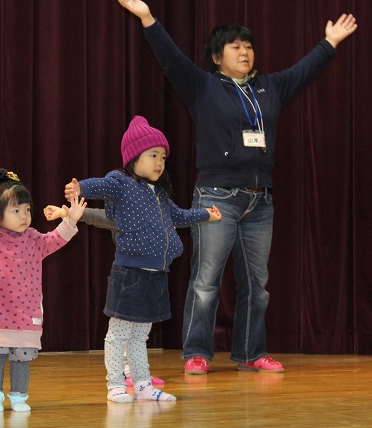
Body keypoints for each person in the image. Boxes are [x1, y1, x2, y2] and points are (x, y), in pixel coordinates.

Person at [117, 0, 357, 375]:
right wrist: (148, 18)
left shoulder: (270, 87)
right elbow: (169, 57)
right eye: (235, 47)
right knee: (206, 280)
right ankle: (197, 352)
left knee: (257, 285)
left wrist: (329, 43)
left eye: (248, 46)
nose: (244, 52)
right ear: (217, 57)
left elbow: (303, 71)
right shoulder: (202, 86)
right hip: (217, 198)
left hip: (260, 201)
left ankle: (250, 353)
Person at [64, 116, 222, 403]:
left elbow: (180, 216)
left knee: (140, 336)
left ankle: (143, 384)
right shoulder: (121, 183)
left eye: (162, 157)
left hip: (156, 275)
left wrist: (205, 214)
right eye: (152, 155)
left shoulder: (159, 194)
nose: (159, 162)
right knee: (119, 334)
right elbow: (101, 186)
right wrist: (80, 189)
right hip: (130, 274)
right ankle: (115, 384)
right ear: (133, 158)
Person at [0, 168, 87, 412]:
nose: (24, 216)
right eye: (16, 211)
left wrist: (71, 220)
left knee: (22, 358)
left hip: (25, 313)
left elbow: (56, 239)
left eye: (26, 210)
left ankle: (19, 396)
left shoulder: (33, 238)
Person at [43, 205, 165, 387]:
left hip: (149, 279)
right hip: (127, 280)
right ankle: (126, 374)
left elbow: (178, 217)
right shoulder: (124, 215)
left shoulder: (155, 212)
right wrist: (65, 213)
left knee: (139, 332)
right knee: (123, 329)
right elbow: (95, 215)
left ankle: (140, 374)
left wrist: (205, 214)